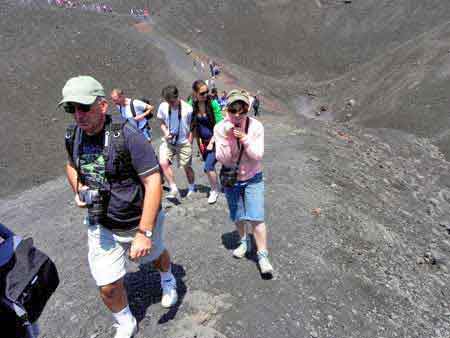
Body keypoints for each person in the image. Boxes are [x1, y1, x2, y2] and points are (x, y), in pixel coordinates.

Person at [60, 76, 178, 338]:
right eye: (72, 109)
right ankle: (125, 322)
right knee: (107, 286)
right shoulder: (73, 136)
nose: (78, 115)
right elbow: (70, 165)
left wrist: (144, 232)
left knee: (155, 255)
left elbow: (153, 180)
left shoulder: (127, 135)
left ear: (103, 106)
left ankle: (168, 277)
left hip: (138, 219)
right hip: (100, 221)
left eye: (84, 107)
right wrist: (78, 188)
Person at [214, 89, 274, 275]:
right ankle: (244, 242)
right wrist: (226, 137)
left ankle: (263, 256)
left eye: (243, 110)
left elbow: (257, 156)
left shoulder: (256, 127)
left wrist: (245, 139)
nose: (238, 115)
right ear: (227, 110)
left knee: (256, 217)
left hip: (253, 177)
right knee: (238, 215)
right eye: (234, 110)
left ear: (248, 108)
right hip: (232, 179)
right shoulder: (220, 128)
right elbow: (222, 159)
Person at [157, 85, 196, 200]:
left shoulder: (188, 109)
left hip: (183, 142)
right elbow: (161, 121)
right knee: (163, 162)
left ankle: (192, 187)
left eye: (172, 101)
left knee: (186, 166)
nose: (170, 104)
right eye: (168, 101)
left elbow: (192, 126)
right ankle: (173, 188)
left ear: (177, 97)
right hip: (169, 141)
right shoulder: (163, 107)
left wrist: (190, 140)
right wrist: (165, 132)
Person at [188, 80, 223, 204]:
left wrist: (212, 142)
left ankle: (214, 190)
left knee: (208, 166)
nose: (206, 95)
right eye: (202, 93)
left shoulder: (213, 104)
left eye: (207, 92)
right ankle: (218, 185)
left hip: (215, 140)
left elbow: (220, 125)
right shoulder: (192, 105)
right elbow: (190, 123)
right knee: (208, 168)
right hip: (202, 142)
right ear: (195, 93)